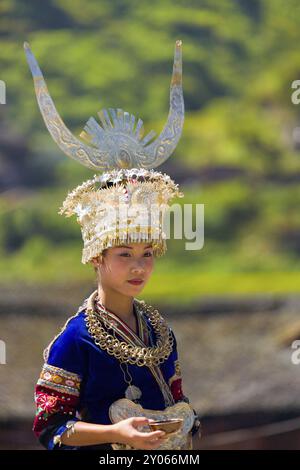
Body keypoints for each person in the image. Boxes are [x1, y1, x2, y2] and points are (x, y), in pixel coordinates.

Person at [24, 39, 201, 450]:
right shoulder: (75, 340)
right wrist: (115, 435)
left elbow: (176, 402)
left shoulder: (160, 332)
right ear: (97, 258)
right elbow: (51, 429)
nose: (139, 267)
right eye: (125, 256)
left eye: (146, 255)